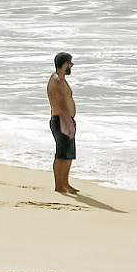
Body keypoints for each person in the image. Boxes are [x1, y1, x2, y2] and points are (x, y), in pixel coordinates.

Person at [47, 52, 78, 193]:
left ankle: (65, 183)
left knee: (68, 154)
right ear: (64, 64)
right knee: (62, 154)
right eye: (70, 63)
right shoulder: (57, 81)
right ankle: (59, 185)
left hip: (65, 120)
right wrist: (67, 122)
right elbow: (60, 104)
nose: (71, 66)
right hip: (61, 120)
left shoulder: (60, 80)